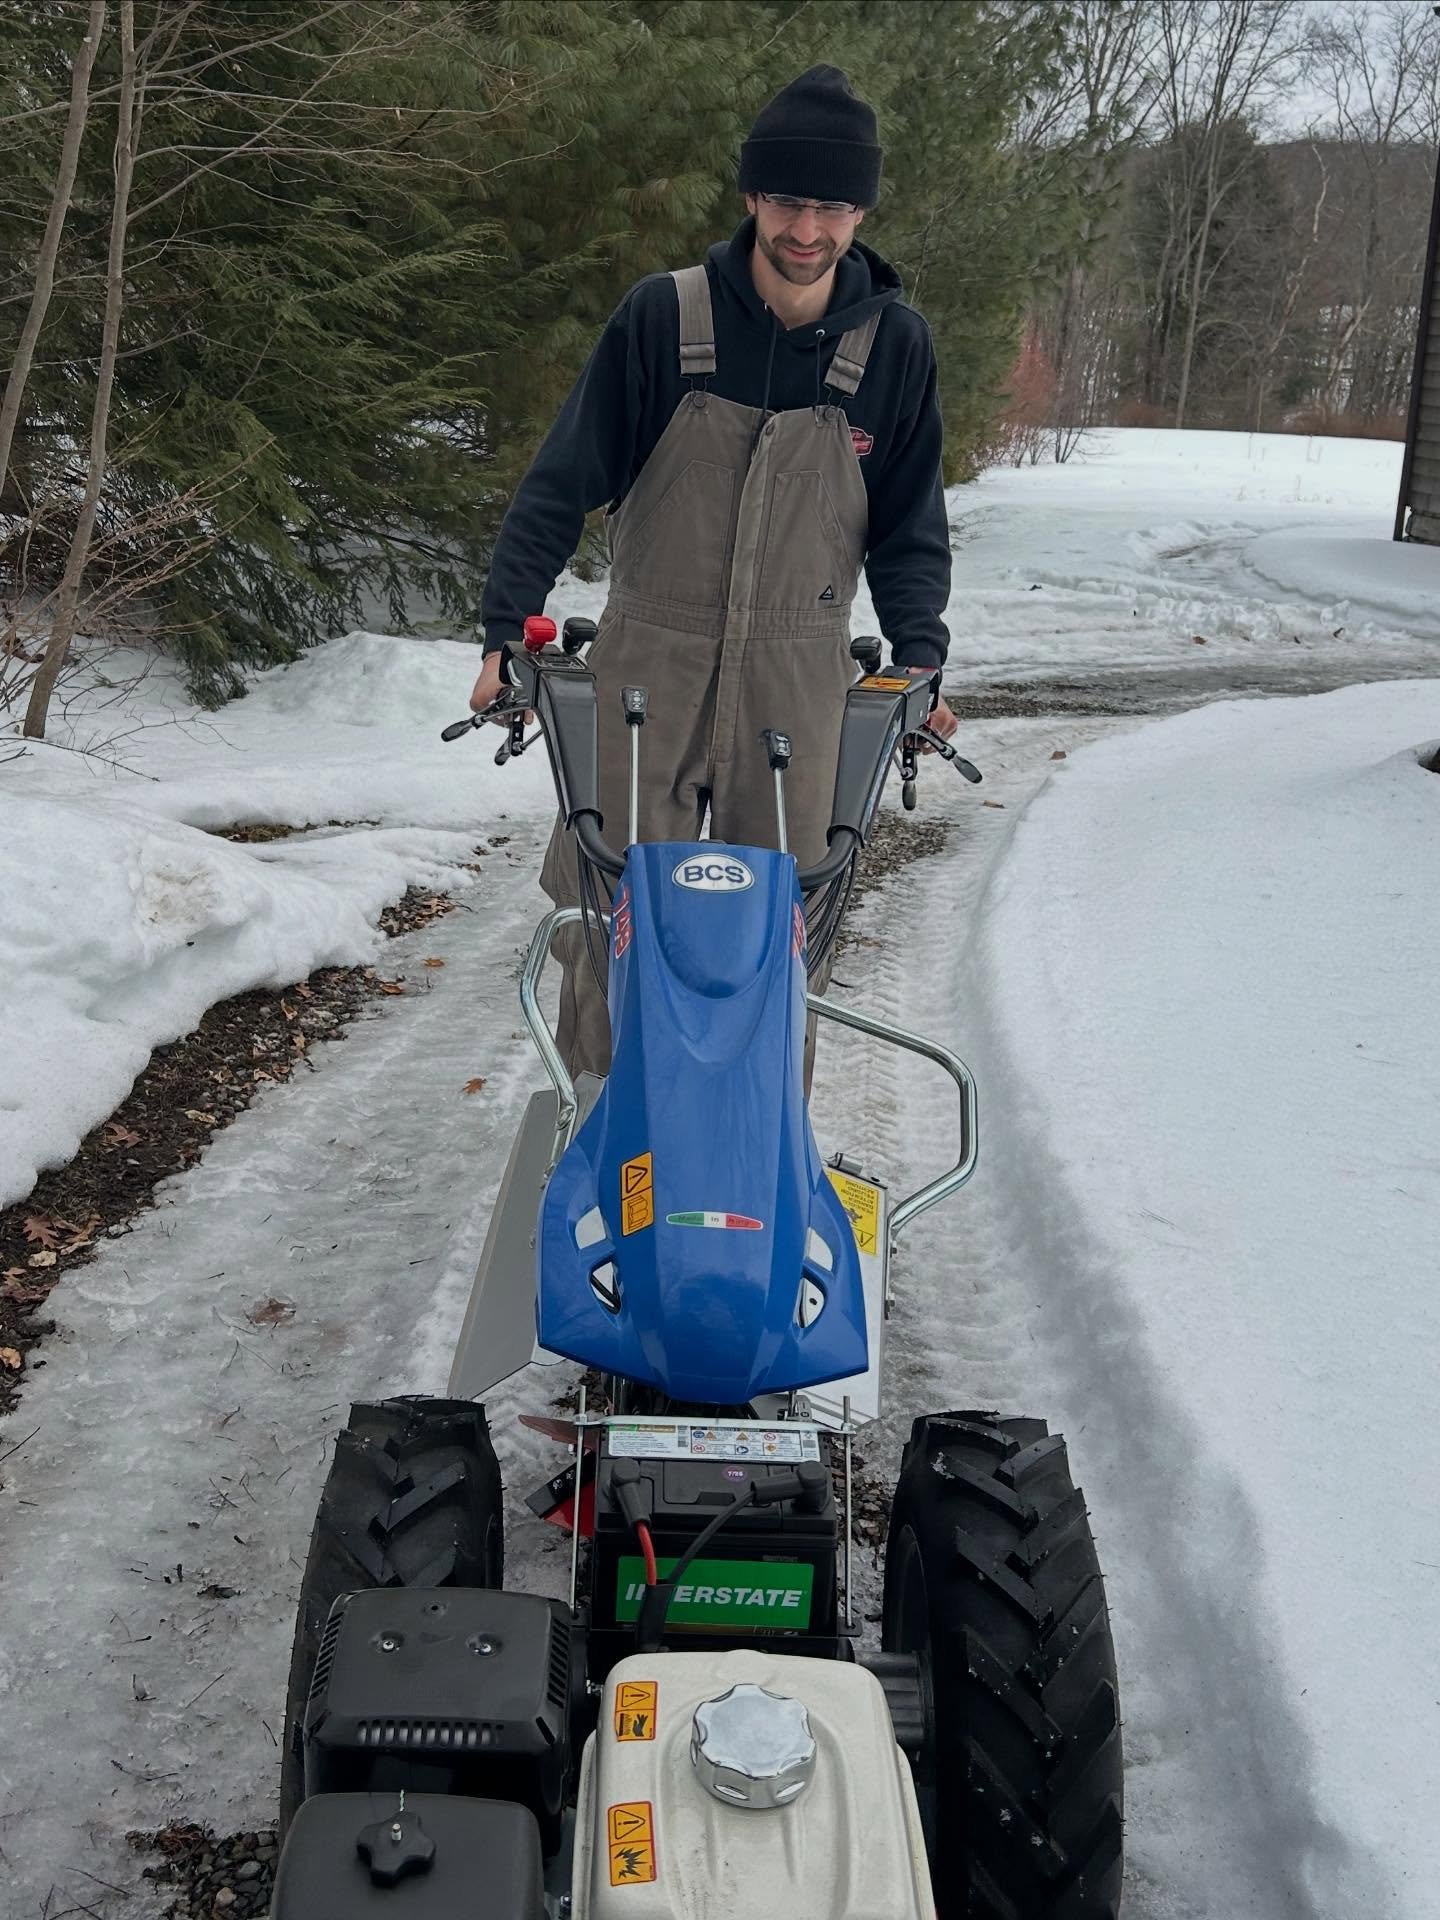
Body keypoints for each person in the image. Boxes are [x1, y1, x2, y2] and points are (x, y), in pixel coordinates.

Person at [468, 64, 956, 1080]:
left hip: (798, 682)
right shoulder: (662, 320)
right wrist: (505, 626)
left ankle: (760, 1161)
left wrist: (921, 661)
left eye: (830, 205)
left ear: (860, 209)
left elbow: (910, 526)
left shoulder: (893, 349)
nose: (807, 229)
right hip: (651, 665)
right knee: (613, 924)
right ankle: (599, 1131)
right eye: (787, 200)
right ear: (751, 197)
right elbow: (561, 481)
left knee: (779, 936)